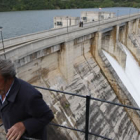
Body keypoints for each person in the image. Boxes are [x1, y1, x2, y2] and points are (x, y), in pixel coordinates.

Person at [0, 59, 54, 140]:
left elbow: (48, 116)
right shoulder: (2, 89)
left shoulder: (29, 95)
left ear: (9, 78)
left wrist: (24, 125)